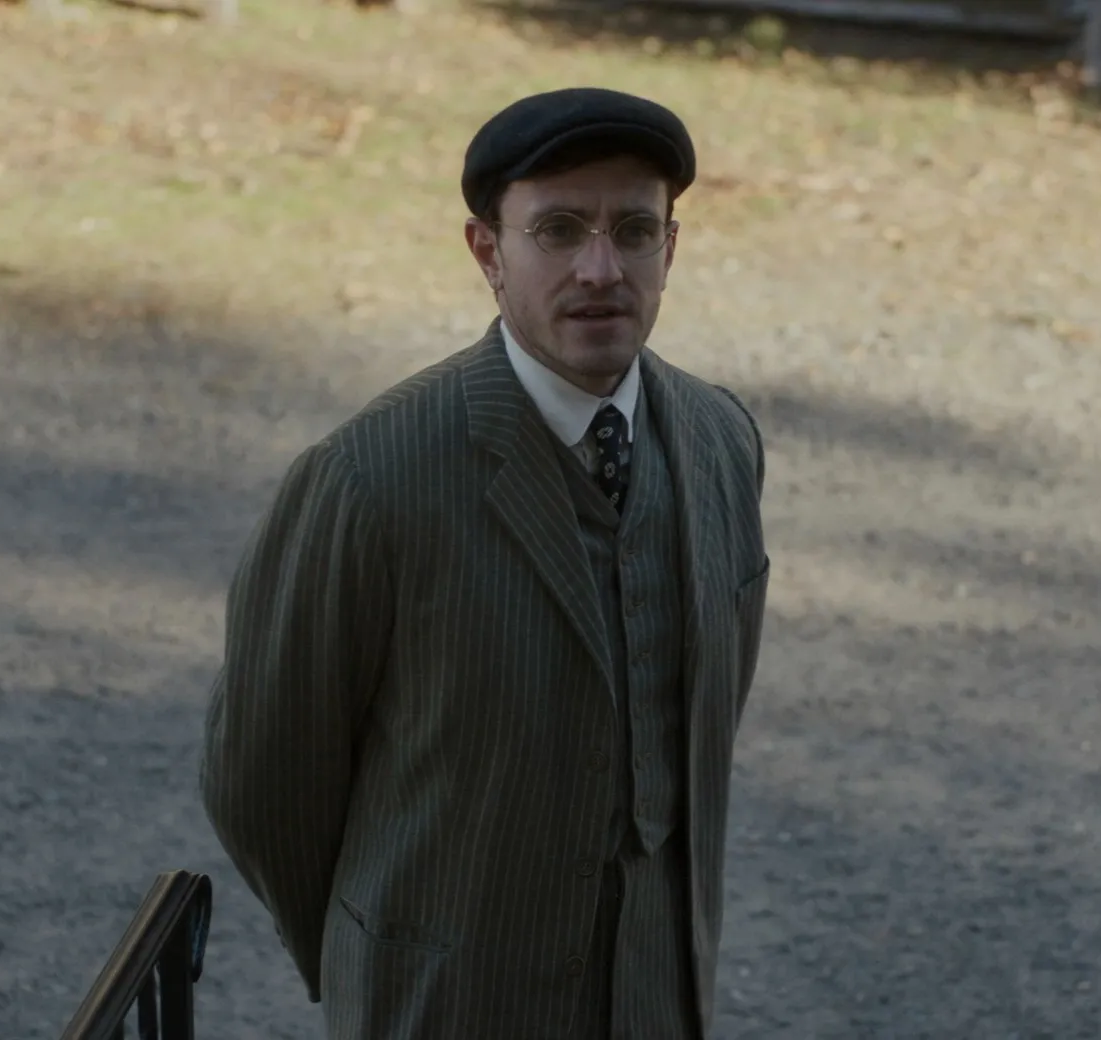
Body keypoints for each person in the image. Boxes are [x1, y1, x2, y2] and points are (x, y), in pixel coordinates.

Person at [200, 86, 770, 1039]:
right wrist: (376, 946)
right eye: (558, 230)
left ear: (669, 250)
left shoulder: (721, 441)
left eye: (634, 231)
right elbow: (261, 780)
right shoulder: (368, 477)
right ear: (487, 252)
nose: (601, 268)